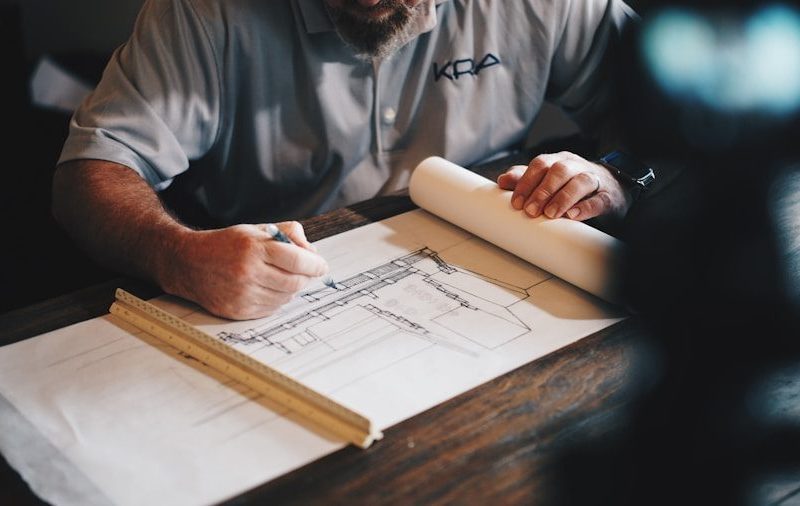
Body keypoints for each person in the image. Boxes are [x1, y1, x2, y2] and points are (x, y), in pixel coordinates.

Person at [52, 0, 638, 320]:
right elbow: (91, 172)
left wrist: (615, 173)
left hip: (503, 288)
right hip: (274, 291)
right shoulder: (204, 14)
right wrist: (175, 254)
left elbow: (693, 116)